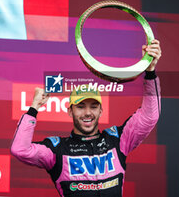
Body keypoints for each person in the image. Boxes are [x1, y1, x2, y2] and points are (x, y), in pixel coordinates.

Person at [11, 40, 162, 197]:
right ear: (70, 111)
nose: (88, 113)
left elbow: (150, 116)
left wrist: (150, 72)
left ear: (101, 111)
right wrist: (34, 108)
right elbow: (20, 150)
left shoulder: (117, 139)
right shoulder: (57, 150)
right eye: (81, 107)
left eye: (93, 106)